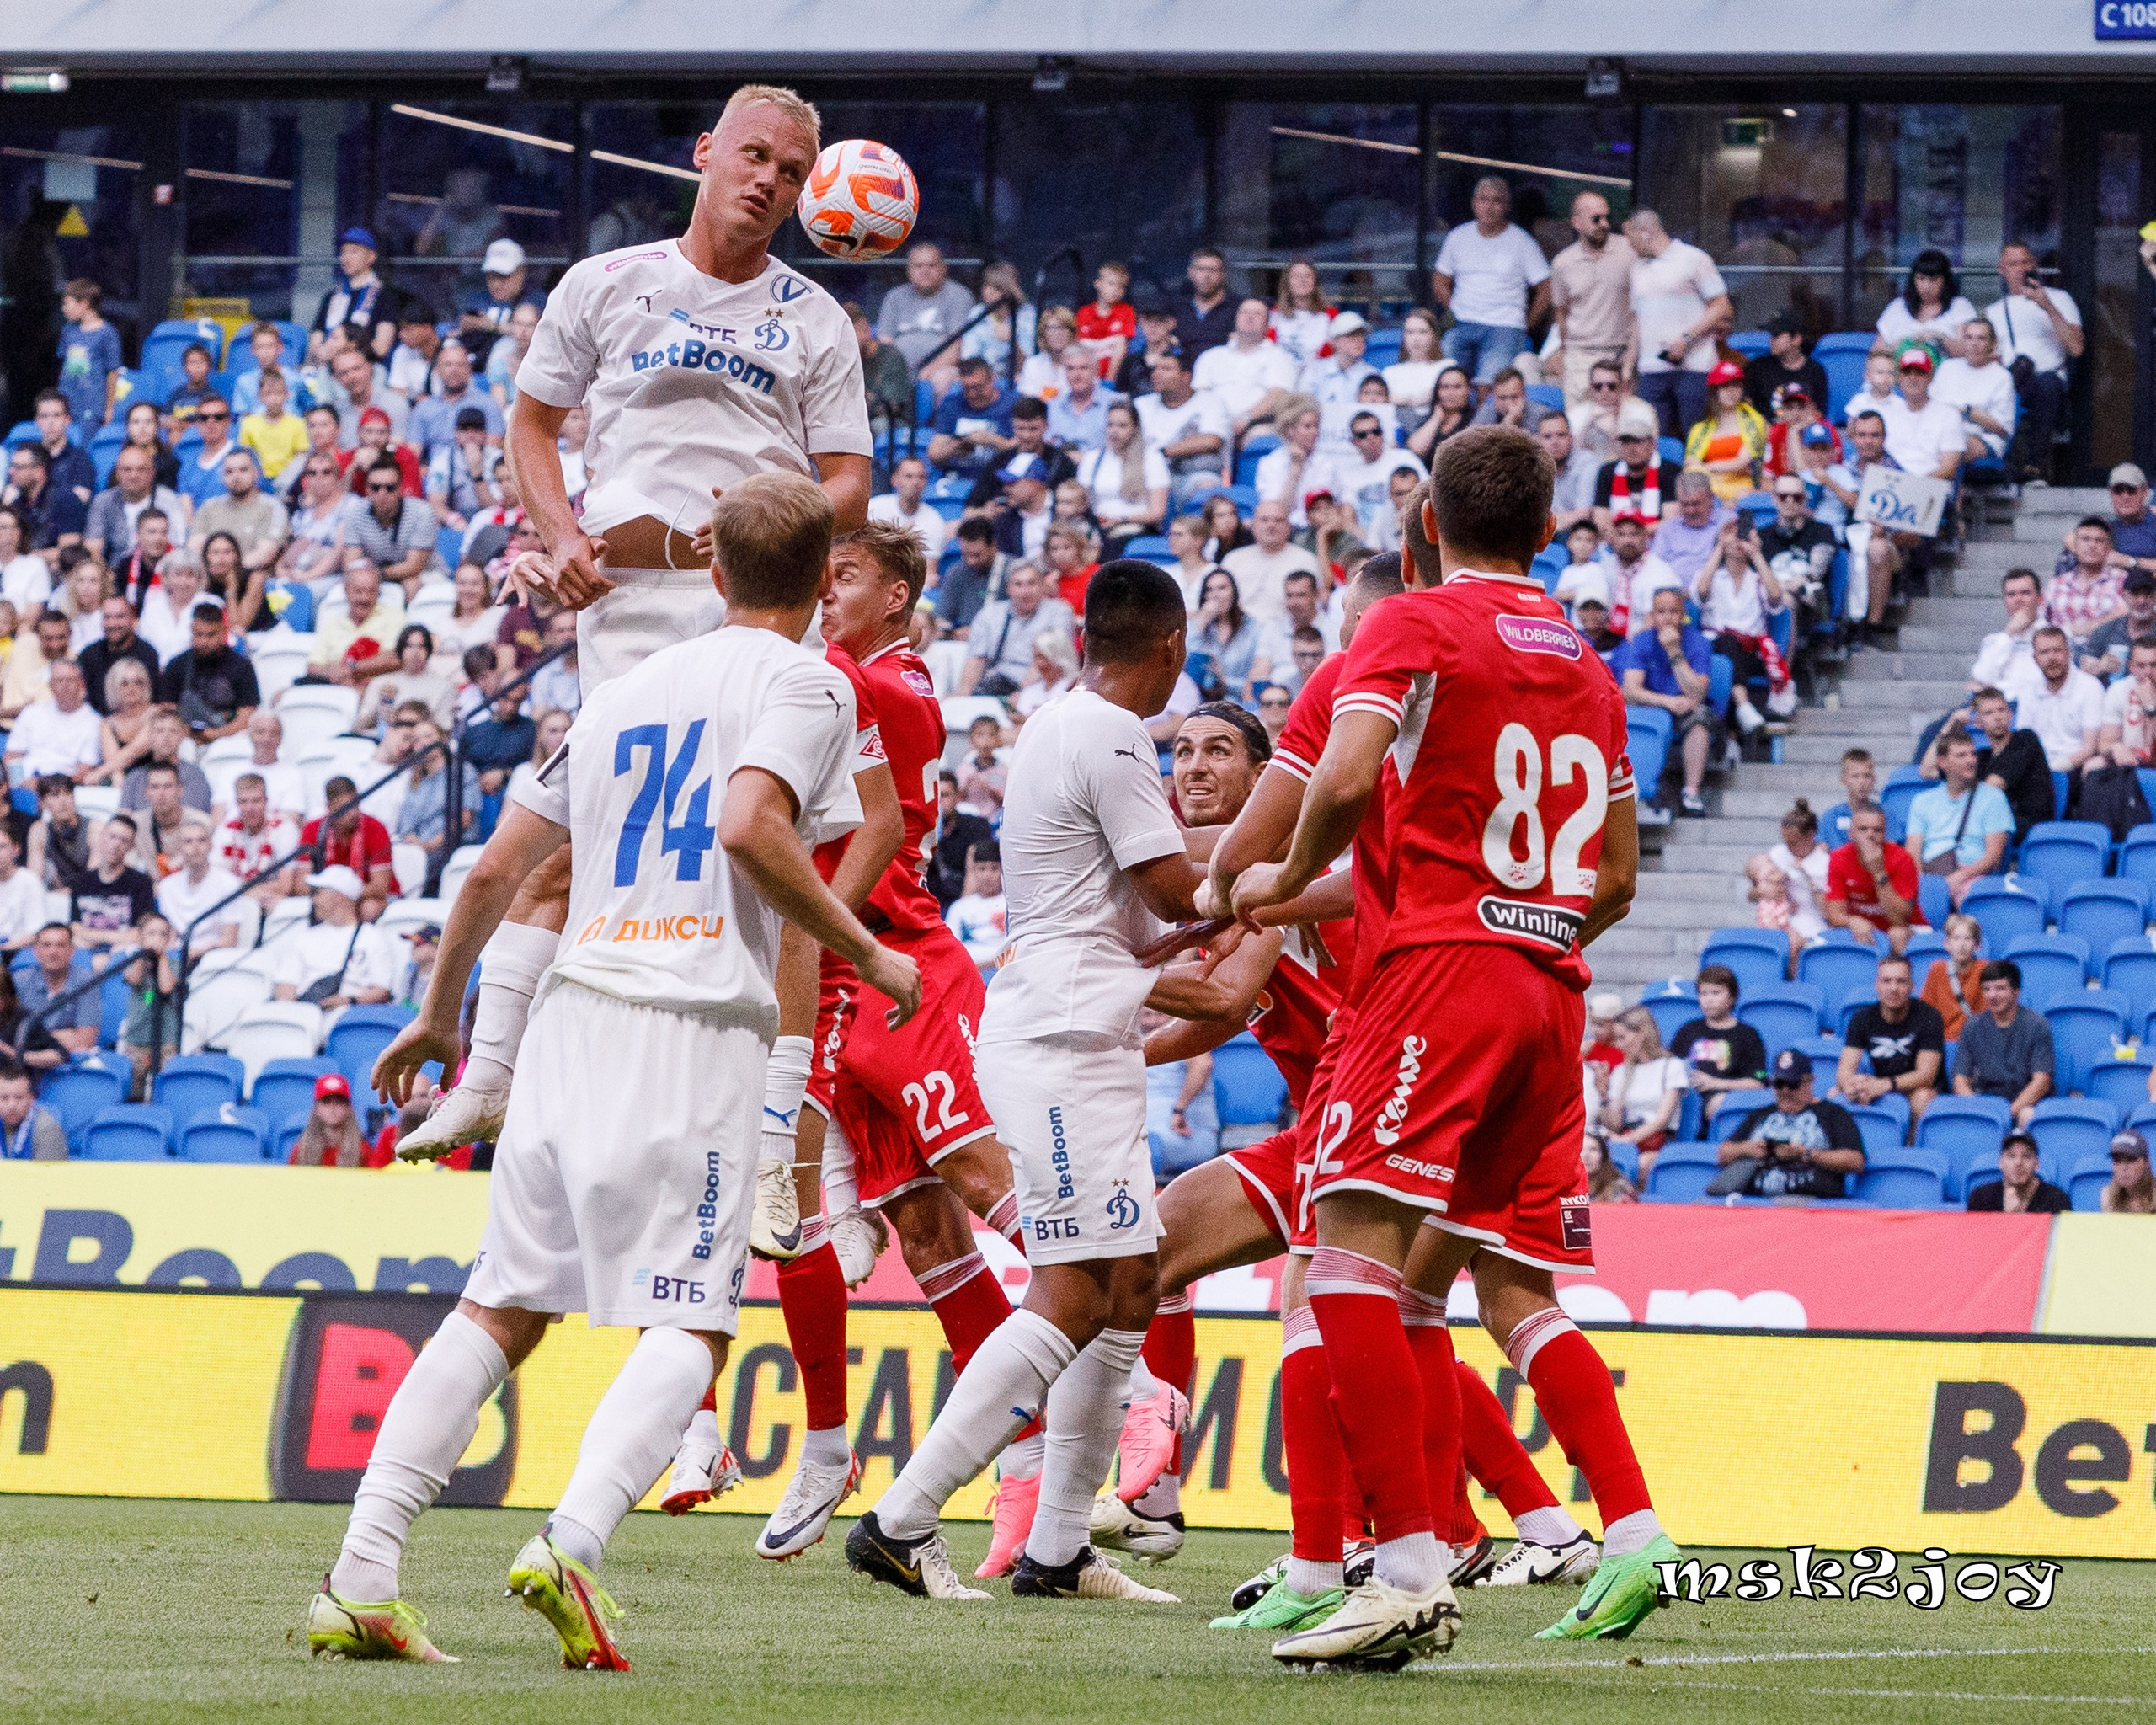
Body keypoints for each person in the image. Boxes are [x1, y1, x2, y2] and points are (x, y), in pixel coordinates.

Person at [329, 468, 917, 1666]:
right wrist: (870, 950)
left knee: (500, 1303)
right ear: (818, 583)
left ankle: (362, 1572)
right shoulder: (806, 680)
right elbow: (752, 829)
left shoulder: (623, 692)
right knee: (694, 1321)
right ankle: (574, 1544)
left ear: (712, 569)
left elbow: (496, 873)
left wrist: (446, 1027)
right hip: (693, 1030)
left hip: (570, 1019)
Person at [1219, 426, 1673, 1655]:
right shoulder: (1586, 662)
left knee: (1344, 1268)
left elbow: (1349, 777)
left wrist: (1275, 875)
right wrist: (1529, 922)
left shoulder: (1413, 625)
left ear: (1426, 518)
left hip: (1439, 979)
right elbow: (1621, 876)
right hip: (1551, 992)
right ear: (1548, 528)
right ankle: (1601, 1534)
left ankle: (1402, 1569)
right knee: (1433, 1294)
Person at [846, 559, 1201, 1610]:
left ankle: (1056, 1548)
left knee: (1131, 1279)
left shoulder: (1062, 723)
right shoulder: (1113, 734)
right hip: (1058, 1037)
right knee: (1074, 1287)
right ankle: (901, 1520)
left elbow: (1153, 900)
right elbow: (1179, 885)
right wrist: (1316, 866)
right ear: (1171, 647)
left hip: (1081, 1031)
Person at [1429, 177, 1550, 391]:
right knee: (1445, 381)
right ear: (1474, 203)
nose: (1489, 207)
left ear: (1506, 206)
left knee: (1491, 386)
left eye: (1496, 201)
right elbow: (1440, 280)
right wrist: (1455, 308)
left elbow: (1546, 288)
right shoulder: (1458, 236)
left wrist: (1526, 325)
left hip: (1505, 326)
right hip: (1462, 323)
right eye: (1483, 200)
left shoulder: (1522, 242)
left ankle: (1483, 426)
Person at [1624, 209, 1732, 439]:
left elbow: (1721, 304)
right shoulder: (1637, 269)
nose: (1629, 246)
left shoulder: (1694, 258)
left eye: (1630, 238)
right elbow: (1637, 320)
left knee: (1695, 437)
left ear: (1645, 232)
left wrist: (1687, 338)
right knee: (1651, 439)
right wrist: (1627, 366)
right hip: (1650, 369)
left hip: (1693, 366)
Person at [1985, 242, 2084, 483]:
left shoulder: (2059, 299)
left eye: (2025, 263)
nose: (2020, 269)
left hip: (2048, 380)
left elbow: (2076, 348)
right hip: (2012, 381)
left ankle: (2035, 468)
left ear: (2034, 266)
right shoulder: (1993, 311)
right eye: (2013, 264)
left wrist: (2046, 305)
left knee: (2047, 384)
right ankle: (1995, 468)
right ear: (2001, 269)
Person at [1710, 1049, 1866, 1199]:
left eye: (1793, 1084)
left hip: (1808, 1201)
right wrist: (1748, 1148)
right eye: (1779, 1083)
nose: (1785, 1091)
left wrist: (1805, 1154)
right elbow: (1723, 1153)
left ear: (1809, 1081)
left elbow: (1855, 1161)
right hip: (1754, 1200)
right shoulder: (1761, 1114)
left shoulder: (1833, 1114)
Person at [1617, 585, 1712, 816]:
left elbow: (1697, 693)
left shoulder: (1699, 642)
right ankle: (1629, 790)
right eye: (1661, 612)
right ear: (1652, 614)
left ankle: (1691, 793)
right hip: (1652, 707)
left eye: (1673, 611)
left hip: (1687, 709)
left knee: (1700, 723)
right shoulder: (1642, 640)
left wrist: (1674, 652)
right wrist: (1667, 702)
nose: (1667, 618)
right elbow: (1630, 690)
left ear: (1683, 614)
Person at [1903, 729, 2013, 907]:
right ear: (1942, 762)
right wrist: (1926, 885)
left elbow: (1993, 855)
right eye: (1961, 755)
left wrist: (1959, 877)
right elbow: (1912, 853)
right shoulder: (1922, 801)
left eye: (1972, 754)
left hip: (1972, 874)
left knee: (1967, 894)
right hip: (1932, 874)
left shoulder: (1993, 797)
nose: (1971, 760)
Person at [1546, 190, 1636, 405]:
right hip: (1579, 356)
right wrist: (1564, 349)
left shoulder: (1629, 251)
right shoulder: (1562, 263)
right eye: (1596, 219)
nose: (1604, 223)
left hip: (1619, 353)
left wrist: (1631, 358)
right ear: (1576, 223)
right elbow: (1561, 312)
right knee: (1577, 423)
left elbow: (1640, 309)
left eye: (1606, 217)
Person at [1838, 952, 1945, 1120]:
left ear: (1912, 986)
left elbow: (1926, 1075)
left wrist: (1884, 1085)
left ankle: (1912, 1146)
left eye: (1901, 981)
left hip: (1915, 1089)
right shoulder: (1862, 1018)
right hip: (1880, 1086)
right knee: (1836, 1093)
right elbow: (1845, 1069)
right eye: (1886, 981)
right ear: (1877, 985)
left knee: (1922, 1097)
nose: (1893, 988)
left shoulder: (1930, 1017)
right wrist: (1852, 1086)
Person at [272, 866, 396, 1007]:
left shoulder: (373, 937)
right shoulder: (306, 936)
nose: (314, 900)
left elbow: (381, 989)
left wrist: (347, 1001)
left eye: (319, 893)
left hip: (350, 1015)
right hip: (306, 1010)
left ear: (339, 897)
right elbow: (286, 983)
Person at [1951, 959, 2053, 1126]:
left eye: (2000, 988)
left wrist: (2007, 1113)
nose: (1992, 995)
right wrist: (1977, 1109)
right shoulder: (1972, 1026)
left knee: (2028, 1115)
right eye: (1987, 989)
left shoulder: (2037, 1025)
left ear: (2016, 992)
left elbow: (2041, 1081)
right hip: (1985, 1101)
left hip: (2023, 1103)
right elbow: (1960, 1079)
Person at [958, 562, 1075, 699]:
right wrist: (965, 694)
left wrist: (1021, 693)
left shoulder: (1058, 611)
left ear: (1043, 586)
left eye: (1032, 584)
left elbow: (1048, 660)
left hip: (1039, 686)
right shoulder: (990, 614)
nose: (1025, 592)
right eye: (1018, 584)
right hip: (995, 684)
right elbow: (976, 659)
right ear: (1008, 588)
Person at [1134, 347, 1229, 512]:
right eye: (1156, 368)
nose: (1157, 373)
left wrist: (1161, 453)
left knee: (1206, 487)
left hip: (1192, 475)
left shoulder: (1210, 401)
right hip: (1148, 476)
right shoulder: (1142, 405)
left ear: (1186, 376)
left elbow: (1211, 440)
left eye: (1166, 369)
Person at [1823, 802, 1925, 954]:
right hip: (1862, 927)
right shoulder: (1838, 858)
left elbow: (1899, 920)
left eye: (1877, 830)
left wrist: (1878, 872)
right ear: (1851, 833)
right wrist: (1852, 921)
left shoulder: (1902, 859)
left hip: (1907, 927)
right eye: (1863, 829)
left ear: (1885, 834)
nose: (1870, 835)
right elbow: (1834, 914)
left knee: (1897, 934)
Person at [1668, 965, 1767, 1123]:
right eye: (1703, 993)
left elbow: (1758, 1082)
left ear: (1732, 997)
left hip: (1725, 1099)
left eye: (1716, 993)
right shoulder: (1688, 1030)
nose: (1709, 999)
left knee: (1720, 1103)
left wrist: (1715, 1083)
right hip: (1685, 1099)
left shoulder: (1748, 1035)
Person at [157, 603, 260, 745]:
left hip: (229, 739)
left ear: (224, 631)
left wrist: (215, 734)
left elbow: (247, 716)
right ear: (192, 631)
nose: (204, 641)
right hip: (184, 739)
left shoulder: (242, 666)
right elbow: (168, 710)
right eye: (199, 634)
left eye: (211, 635)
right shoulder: (177, 665)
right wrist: (188, 733)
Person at [1967, 684, 2055, 841]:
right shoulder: (1984, 756)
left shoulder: (2025, 739)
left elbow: (1993, 787)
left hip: (2030, 825)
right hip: (1995, 823)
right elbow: (1928, 771)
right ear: (1978, 722)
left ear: (2010, 714)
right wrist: (1950, 725)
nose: (1997, 717)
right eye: (1988, 713)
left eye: (2001, 710)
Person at [1075, 402, 1168, 546]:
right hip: (1098, 525)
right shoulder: (1092, 459)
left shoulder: (1151, 458)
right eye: (1110, 425)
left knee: (1114, 543)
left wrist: (1122, 519)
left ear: (1135, 428)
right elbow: (1082, 500)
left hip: (1136, 527)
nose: (1114, 431)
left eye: (1122, 425)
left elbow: (1158, 511)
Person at [1222, 499, 1322, 632]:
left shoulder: (1306, 560)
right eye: (1264, 520)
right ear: (1253, 525)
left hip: (1287, 632)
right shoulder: (1233, 559)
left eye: (1278, 520)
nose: (1271, 525)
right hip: (1238, 631)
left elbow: (1315, 606)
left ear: (1289, 526)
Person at [2017, 625, 2105, 774]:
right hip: (2036, 768)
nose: (2051, 657)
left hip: (2074, 767)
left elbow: (2091, 748)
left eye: (2057, 650)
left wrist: (2053, 769)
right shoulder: (2028, 690)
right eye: (2044, 652)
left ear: (2068, 653)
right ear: (2035, 658)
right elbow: (2024, 742)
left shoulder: (2090, 687)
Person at [301, 776, 398, 909]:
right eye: (345, 808)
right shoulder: (312, 829)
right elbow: (300, 885)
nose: (353, 813)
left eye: (355, 805)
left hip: (372, 898)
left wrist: (339, 892)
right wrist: (333, 896)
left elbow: (380, 888)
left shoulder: (376, 828)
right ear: (329, 807)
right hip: (329, 898)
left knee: (368, 909)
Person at [5, 658, 103, 784]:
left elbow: (84, 772)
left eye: (71, 680)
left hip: (63, 789)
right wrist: (19, 785)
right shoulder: (31, 713)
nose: (65, 685)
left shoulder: (94, 722)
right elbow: (12, 756)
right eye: (59, 681)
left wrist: (41, 785)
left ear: (81, 684)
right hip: (24, 785)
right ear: (50, 685)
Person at [1933, 318, 2017, 463]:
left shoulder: (2002, 377)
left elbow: (2003, 429)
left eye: (1981, 338)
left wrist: (1966, 411)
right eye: (1969, 337)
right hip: (1939, 431)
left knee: (1953, 443)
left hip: (1982, 439)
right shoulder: (1947, 367)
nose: (1974, 344)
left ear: (1992, 344)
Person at [83, 446, 185, 566]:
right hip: (114, 573)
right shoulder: (103, 501)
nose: (134, 475)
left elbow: (179, 546)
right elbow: (93, 550)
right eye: (127, 470)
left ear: (152, 473)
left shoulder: (169, 500)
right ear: (117, 473)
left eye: (141, 469)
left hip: (160, 573)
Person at [1682, 361, 1768, 503]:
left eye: (1736, 385)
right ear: (1714, 391)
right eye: (1725, 386)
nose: (1732, 391)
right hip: (1709, 488)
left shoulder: (1755, 421)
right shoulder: (1700, 429)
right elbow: (1690, 463)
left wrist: (1706, 468)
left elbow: (1742, 462)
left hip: (1742, 488)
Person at [70, 811, 157, 948]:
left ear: (131, 847)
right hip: (85, 952)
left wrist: (91, 936)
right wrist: (116, 937)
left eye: (124, 840)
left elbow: (138, 933)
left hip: (122, 953)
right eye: (113, 836)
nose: (116, 844)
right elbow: (75, 929)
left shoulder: (141, 883)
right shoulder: (82, 881)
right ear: (102, 836)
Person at [216, 772, 304, 906]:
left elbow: (286, 885)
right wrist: (250, 894)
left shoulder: (285, 829)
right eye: (243, 801)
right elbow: (215, 882)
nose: (250, 808)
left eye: (256, 801)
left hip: (270, 905)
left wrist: (239, 891)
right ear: (236, 803)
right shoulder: (225, 830)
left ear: (266, 801)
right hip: (237, 904)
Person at [1874, 249, 1979, 358]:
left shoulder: (1959, 306)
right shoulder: (1897, 307)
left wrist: (1939, 337)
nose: (1927, 287)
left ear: (1945, 281)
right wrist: (1899, 346)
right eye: (1921, 279)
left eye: (1933, 280)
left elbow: (1968, 352)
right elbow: (1876, 355)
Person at [1591, 402, 1673, 536]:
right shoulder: (1607, 472)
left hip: (1658, 541)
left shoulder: (1669, 471)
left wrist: (1632, 536)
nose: (1631, 448)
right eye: (1626, 442)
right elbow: (1601, 519)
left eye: (1637, 441)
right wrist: (1624, 539)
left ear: (1652, 444)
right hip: (1617, 543)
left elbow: (1671, 521)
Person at [18, 921, 99, 1054]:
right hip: (24, 1063)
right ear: (36, 951)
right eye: (46, 945)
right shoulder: (19, 980)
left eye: (60, 945)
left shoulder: (87, 981)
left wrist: (32, 1037)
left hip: (70, 1063)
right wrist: (68, 1035)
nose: (53, 952)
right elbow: (8, 1036)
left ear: (72, 951)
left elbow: (86, 1042)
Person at [56, 279, 122, 430]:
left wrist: (109, 408)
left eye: (67, 303)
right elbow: (63, 366)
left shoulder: (107, 333)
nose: (63, 308)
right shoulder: (67, 331)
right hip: (65, 403)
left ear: (84, 304)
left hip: (92, 405)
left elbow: (112, 372)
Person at [1742, 310, 1830, 420]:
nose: (1771, 340)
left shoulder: (1816, 371)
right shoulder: (1757, 367)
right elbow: (1745, 406)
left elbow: (1819, 412)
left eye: (1776, 335)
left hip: (1804, 431)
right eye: (1771, 335)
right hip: (1766, 433)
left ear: (1796, 339)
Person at [1965, 1127, 2068, 1214]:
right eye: (2011, 1156)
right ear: (2000, 1162)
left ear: (2037, 1163)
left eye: (2026, 1156)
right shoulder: (1980, 1198)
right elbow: (1973, 1236)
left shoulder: (2057, 1199)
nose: (2018, 1163)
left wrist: (2018, 1217)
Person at [865, 455, 947, 563]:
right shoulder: (874, 508)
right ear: (894, 480)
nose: (915, 482)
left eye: (921, 477)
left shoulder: (934, 521)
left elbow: (930, 571)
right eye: (909, 476)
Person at [1920, 911, 1987, 1042]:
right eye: (1956, 938)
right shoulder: (1937, 969)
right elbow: (1926, 1011)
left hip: (1974, 1042)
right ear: (1947, 944)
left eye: (1968, 938)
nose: (1962, 944)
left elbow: (1986, 1015)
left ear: (1977, 945)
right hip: (1941, 1041)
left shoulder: (1984, 970)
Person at [290, 1071, 374, 1168]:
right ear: (316, 1108)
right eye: (326, 1102)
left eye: (339, 1102)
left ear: (348, 1108)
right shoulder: (301, 1150)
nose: (332, 1108)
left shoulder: (363, 1150)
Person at [0, 1058, 67, 1159]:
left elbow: (49, 1174)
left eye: (19, 1098)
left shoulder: (47, 1129)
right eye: (4, 1098)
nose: (12, 1105)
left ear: (31, 1099)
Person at [2101, 1130, 2156, 1214]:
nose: (2124, 1167)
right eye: (2117, 1160)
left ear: (2146, 1162)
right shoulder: (2108, 1196)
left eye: (2131, 1160)